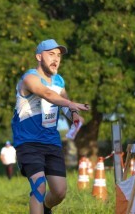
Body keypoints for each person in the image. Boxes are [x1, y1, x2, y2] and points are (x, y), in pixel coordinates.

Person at [11, 39, 90, 214]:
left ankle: (46, 208)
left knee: (59, 192)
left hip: (52, 142)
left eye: (59, 55)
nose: (56, 59)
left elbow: (64, 106)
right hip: (28, 142)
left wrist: (75, 116)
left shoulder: (59, 81)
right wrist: (71, 104)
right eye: (51, 54)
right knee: (39, 187)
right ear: (39, 56)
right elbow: (47, 94)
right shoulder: (30, 78)